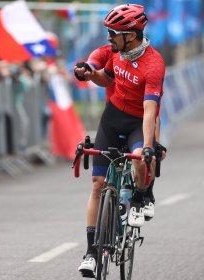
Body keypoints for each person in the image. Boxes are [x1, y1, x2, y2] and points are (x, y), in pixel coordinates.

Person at [74, 4, 166, 277]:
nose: (108, 37)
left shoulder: (153, 64)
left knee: (139, 159)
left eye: (113, 32)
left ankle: (141, 196)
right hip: (112, 119)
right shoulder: (116, 52)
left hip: (139, 121)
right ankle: (91, 252)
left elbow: (150, 112)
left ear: (131, 35)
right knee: (97, 185)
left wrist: (149, 147)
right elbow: (101, 69)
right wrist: (89, 71)